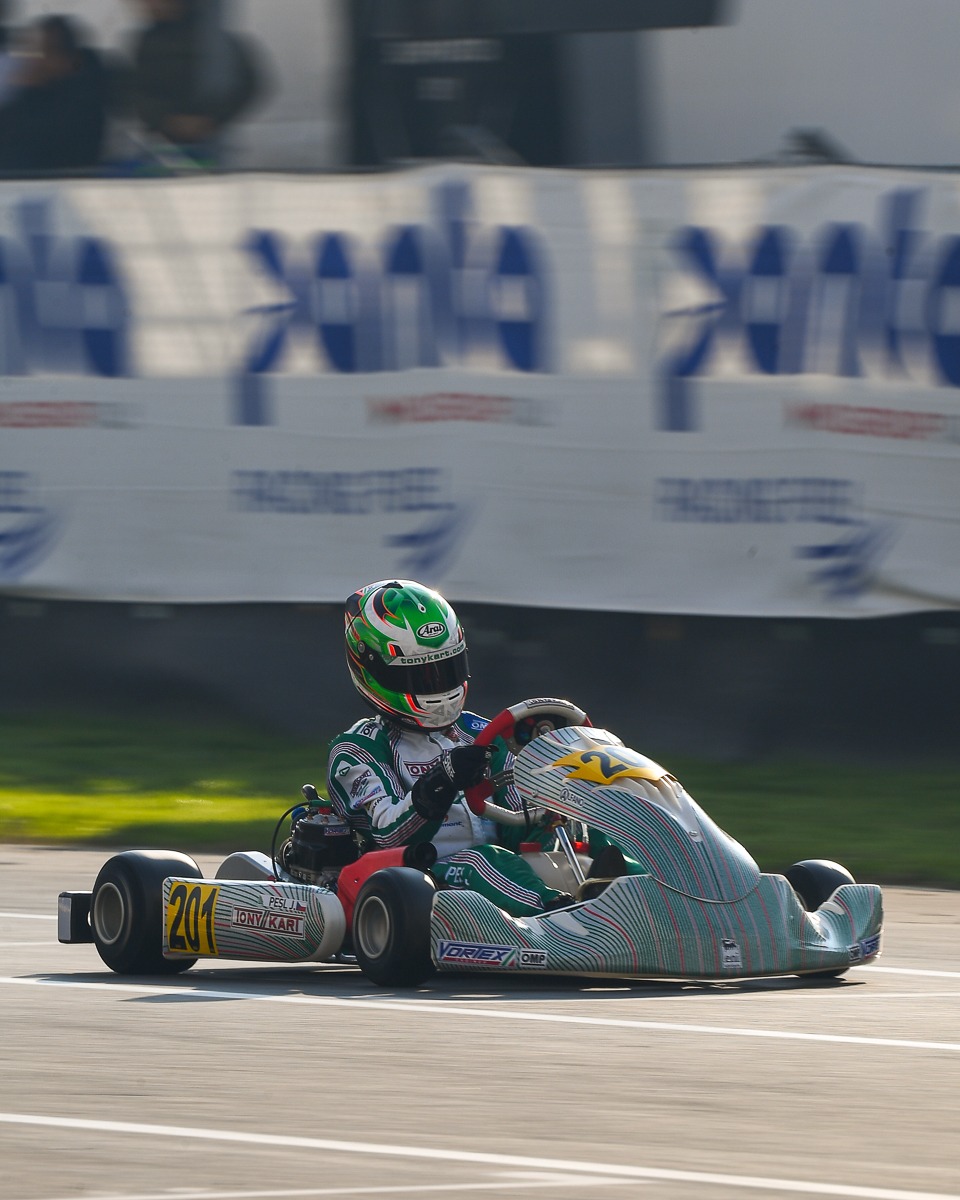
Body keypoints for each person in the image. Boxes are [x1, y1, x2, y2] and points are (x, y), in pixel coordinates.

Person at [326, 578, 575, 918]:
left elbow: (519, 821)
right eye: (420, 677)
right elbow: (389, 835)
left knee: (588, 835)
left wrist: (553, 798)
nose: (438, 686)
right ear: (372, 671)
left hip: (504, 871)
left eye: (446, 670)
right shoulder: (358, 749)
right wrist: (442, 781)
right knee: (481, 861)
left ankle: (630, 896)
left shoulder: (480, 732)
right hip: (418, 881)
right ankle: (561, 917)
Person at [127, 0, 265, 167]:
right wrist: (165, 120)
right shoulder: (147, 42)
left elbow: (249, 84)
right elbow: (136, 89)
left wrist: (211, 119)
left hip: (210, 142)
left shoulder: (216, 41)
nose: (149, 5)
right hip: (161, 143)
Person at [0, 15, 109, 172]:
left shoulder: (81, 103)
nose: (33, 61)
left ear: (68, 59)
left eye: (42, 52)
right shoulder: (27, 96)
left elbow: (39, 140)